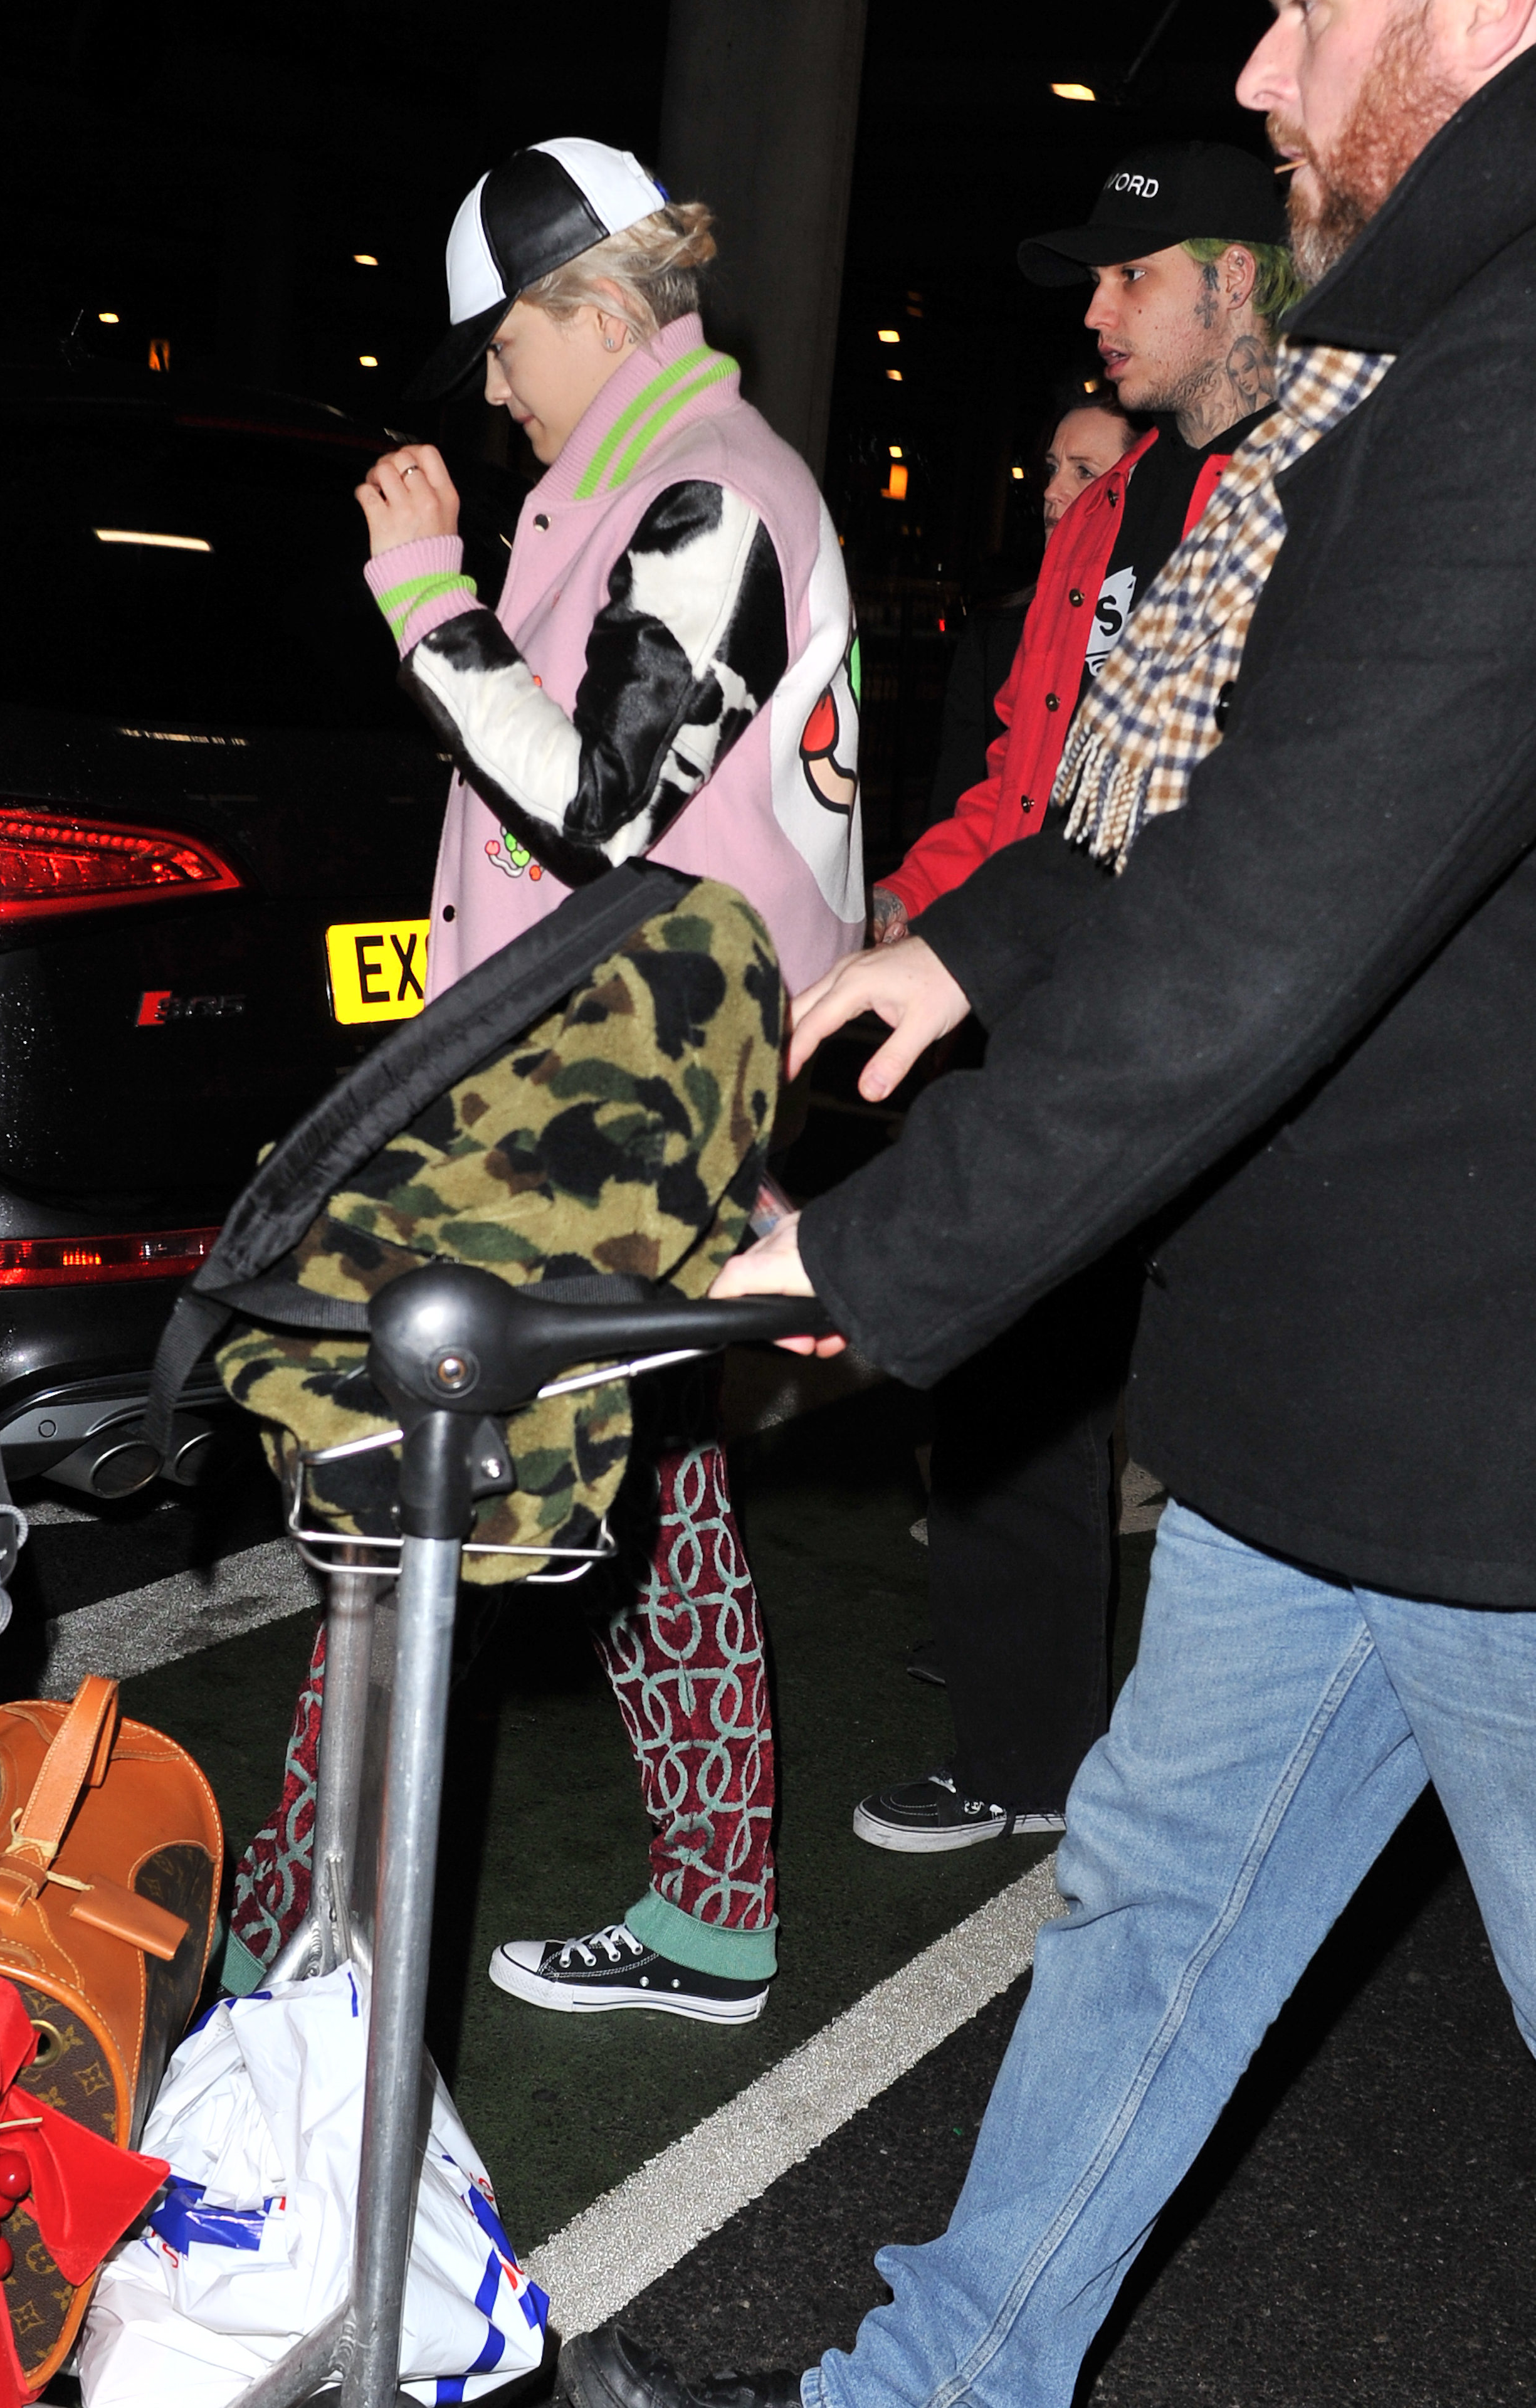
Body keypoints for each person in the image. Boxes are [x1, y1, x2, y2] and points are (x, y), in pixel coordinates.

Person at [559, 0, 1536, 2398]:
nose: (1263, 64)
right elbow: (1247, 814)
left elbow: (1281, 909)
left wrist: (880, 1245)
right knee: (1147, 1912)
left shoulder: (1510, 368)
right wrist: (969, 941)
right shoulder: (1419, 360)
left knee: (1156, 1907)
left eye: (1317, 6)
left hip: (1496, 1429)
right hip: (1356, 1396)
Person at [236, 138, 864, 2026]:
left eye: (502, 349)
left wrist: (421, 592)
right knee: (645, 1475)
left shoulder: (711, 492)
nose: (494, 393)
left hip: (601, 1105)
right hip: (600, 1091)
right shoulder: (651, 486)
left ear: (590, 310)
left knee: (411, 1480)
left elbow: (599, 798)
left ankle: (291, 1943)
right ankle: (712, 1908)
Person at [851, 143, 1298, 1857]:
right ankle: (1028, 1750)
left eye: (1131, 274)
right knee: (1010, 1366)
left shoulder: (1322, 478)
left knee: (1240, 1418)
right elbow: (1028, 776)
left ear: (1235, 279)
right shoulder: (1111, 508)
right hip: (1063, 999)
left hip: (1241, 1023)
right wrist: (908, 909)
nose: (1097, 310)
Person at [896, 382, 1139, 891]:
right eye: (1052, 468)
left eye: (1084, 472)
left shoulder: (1168, 626)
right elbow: (960, 799)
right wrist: (914, 896)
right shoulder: (998, 633)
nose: (1051, 491)